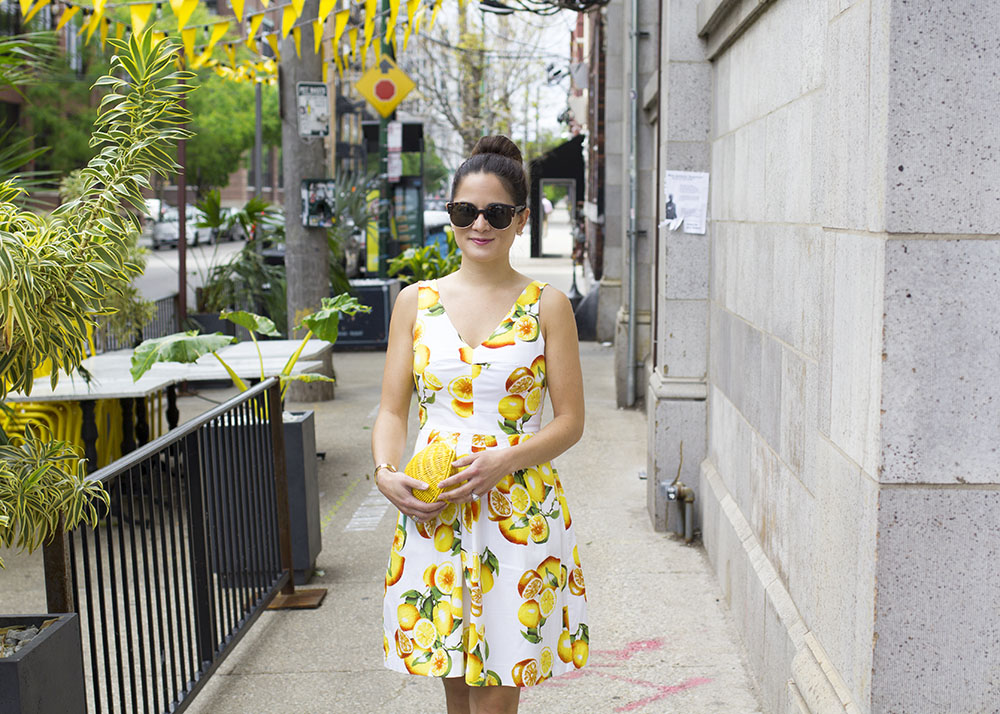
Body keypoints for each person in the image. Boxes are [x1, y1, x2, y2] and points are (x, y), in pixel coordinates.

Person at [372, 135, 589, 714]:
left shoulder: (548, 305)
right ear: (451, 217)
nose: (480, 225)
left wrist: (505, 458)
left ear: (520, 219)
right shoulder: (415, 302)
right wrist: (385, 472)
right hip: (434, 505)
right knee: (452, 673)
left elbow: (570, 422)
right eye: (465, 212)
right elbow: (394, 409)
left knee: (496, 686)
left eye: (495, 213)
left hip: (514, 506)